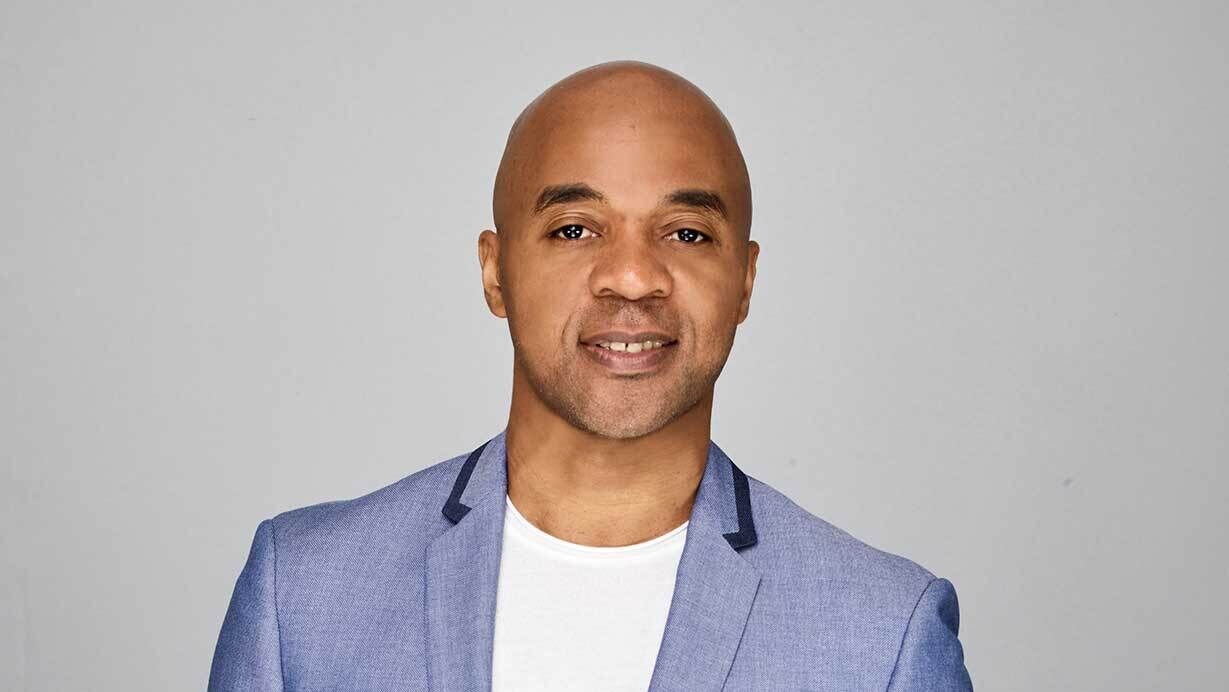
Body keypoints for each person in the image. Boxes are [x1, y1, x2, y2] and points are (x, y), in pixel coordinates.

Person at [208, 60, 973, 691]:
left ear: (743, 281)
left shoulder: (884, 636)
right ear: (495, 270)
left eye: (685, 232)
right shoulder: (302, 595)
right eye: (574, 229)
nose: (634, 277)